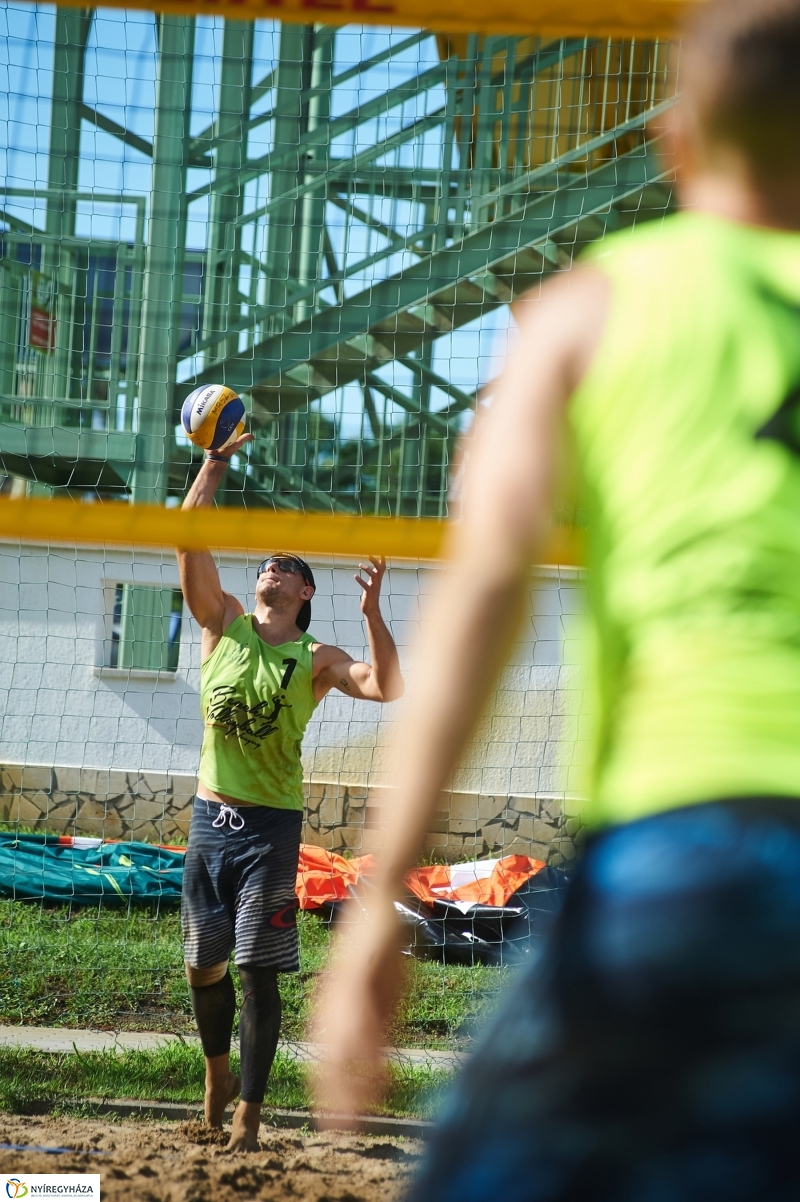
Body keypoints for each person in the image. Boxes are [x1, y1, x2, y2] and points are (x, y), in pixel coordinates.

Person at [314, 0, 800, 1195]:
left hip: (696, 839)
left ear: (675, 140)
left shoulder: (589, 305)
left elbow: (484, 588)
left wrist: (382, 895)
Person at [176, 435, 403, 1152]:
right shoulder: (224, 625)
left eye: (290, 568)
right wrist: (212, 462)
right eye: (269, 562)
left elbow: (388, 686)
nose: (274, 567)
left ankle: (247, 1112)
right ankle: (217, 1077)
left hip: (271, 831)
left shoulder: (317, 659)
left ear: (304, 594)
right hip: (209, 823)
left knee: (256, 969)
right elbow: (188, 539)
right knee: (201, 966)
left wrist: (372, 613)